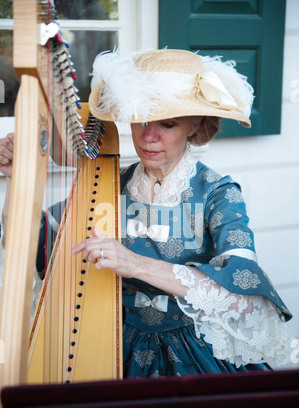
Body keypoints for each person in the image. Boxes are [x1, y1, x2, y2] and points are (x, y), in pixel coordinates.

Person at [0, 49, 293, 378]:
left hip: (195, 350)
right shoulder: (110, 185)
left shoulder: (218, 193)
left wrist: (135, 263)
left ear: (194, 124)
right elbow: (25, 246)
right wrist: (16, 176)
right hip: (113, 343)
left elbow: (243, 298)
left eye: (167, 124)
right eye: (141, 120)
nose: (149, 137)